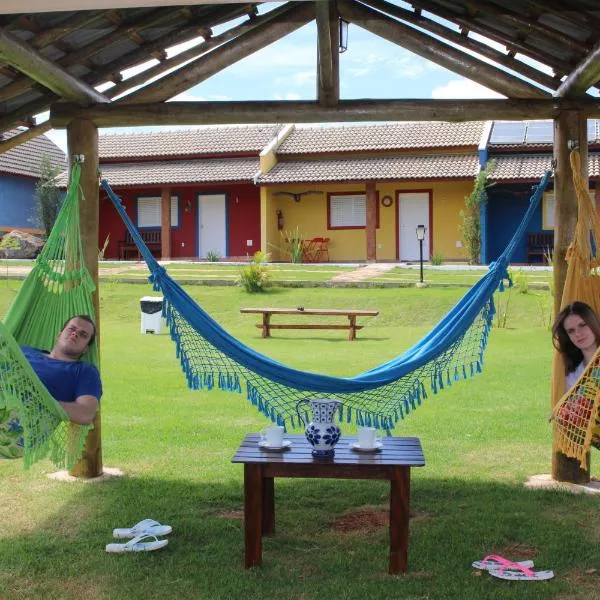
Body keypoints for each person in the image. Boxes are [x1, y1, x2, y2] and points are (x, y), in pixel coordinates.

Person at [21, 315, 102, 426]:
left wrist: (37, 402)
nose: (75, 333)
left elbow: (85, 413)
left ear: (85, 349)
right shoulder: (24, 351)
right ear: (59, 335)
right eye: (71, 329)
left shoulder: (84, 371)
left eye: (83, 335)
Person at [552, 301, 600, 431]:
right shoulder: (574, 378)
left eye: (582, 325)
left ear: (593, 323)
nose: (578, 333)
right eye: (571, 331)